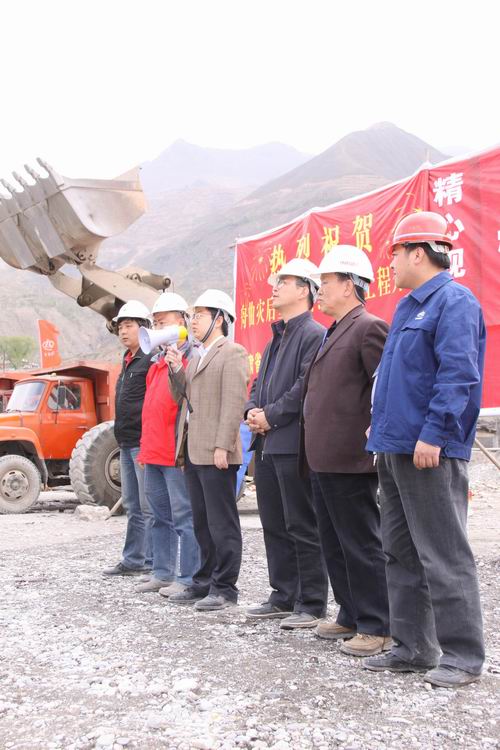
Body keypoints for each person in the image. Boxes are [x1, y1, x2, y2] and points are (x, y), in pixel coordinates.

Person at [364, 211, 486, 688]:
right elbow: (396, 380)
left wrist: (435, 433)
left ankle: (462, 657)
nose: (391, 262)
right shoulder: (407, 308)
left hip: (428, 449)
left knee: (443, 553)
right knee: (399, 551)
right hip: (395, 447)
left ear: (418, 252)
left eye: (395, 253)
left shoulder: (454, 302)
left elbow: (458, 374)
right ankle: (412, 647)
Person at [301, 245, 391, 655]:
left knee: (360, 542)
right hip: (324, 457)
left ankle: (378, 624)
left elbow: (382, 389)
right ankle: (351, 613)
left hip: (352, 458)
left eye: (326, 282)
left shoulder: (368, 327)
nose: (319, 290)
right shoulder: (335, 330)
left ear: (350, 284)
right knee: (334, 541)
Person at [245, 259, 328, 630]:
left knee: (302, 524)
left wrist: (271, 415)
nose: (275, 287)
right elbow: (257, 385)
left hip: (293, 443)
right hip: (266, 444)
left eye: (284, 281)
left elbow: (303, 387)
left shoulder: (313, 334)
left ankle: (311, 602)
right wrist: (251, 410)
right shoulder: (274, 339)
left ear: (304, 289)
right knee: (274, 524)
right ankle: (282, 595)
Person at [165, 289, 249, 612]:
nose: (194, 321)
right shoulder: (198, 355)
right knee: (201, 522)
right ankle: (204, 582)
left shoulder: (232, 352)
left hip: (216, 451)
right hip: (194, 449)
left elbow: (233, 402)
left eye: (200, 315)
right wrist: (176, 369)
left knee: (221, 522)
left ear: (220, 318)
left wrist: (222, 446)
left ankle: (225, 588)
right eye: (193, 315)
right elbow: (182, 397)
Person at [135, 292, 200, 595]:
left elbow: (188, 401)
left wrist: (177, 366)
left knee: (184, 517)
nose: (158, 326)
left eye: (164, 320)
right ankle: (162, 572)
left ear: (182, 321)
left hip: (175, 455)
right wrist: (144, 449)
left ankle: (188, 578)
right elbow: (150, 411)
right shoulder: (155, 365)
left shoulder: (192, 358)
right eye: (156, 322)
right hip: (154, 453)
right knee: (158, 517)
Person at [102, 300, 154, 577]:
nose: (123, 331)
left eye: (129, 325)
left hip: (143, 442)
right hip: (126, 442)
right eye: (120, 326)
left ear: (144, 327)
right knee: (132, 505)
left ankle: (154, 562)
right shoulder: (127, 359)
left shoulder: (151, 359)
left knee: (148, 506)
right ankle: (134, 559)